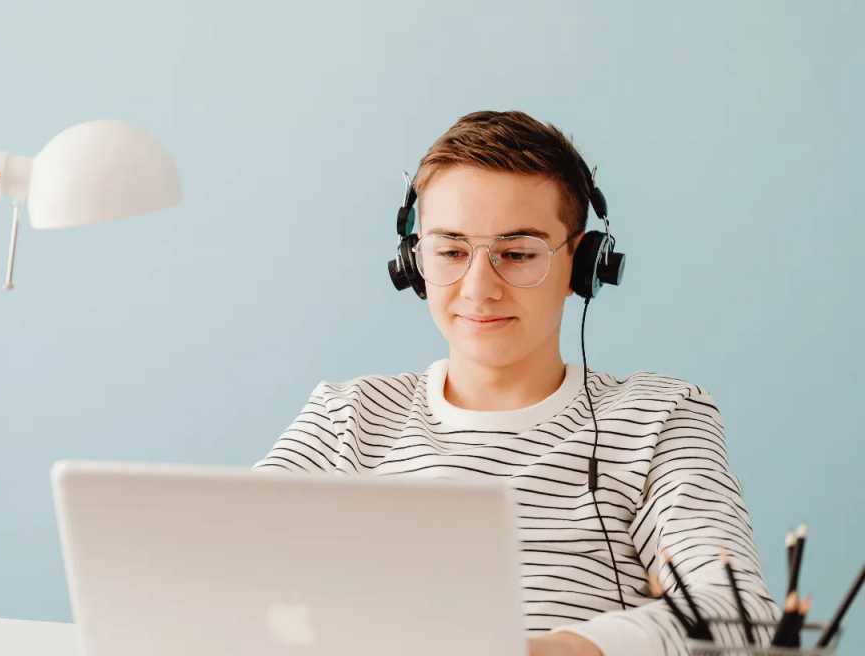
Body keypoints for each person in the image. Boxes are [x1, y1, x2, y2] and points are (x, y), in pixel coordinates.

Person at [253, 111, 778, 656]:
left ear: (584, 264)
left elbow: (740, 618)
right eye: (452, 251)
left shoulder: (660, 417)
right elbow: (222, 568)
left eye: (518, 254)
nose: (479, 289)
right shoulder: (348, 416)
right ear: (413, 261)